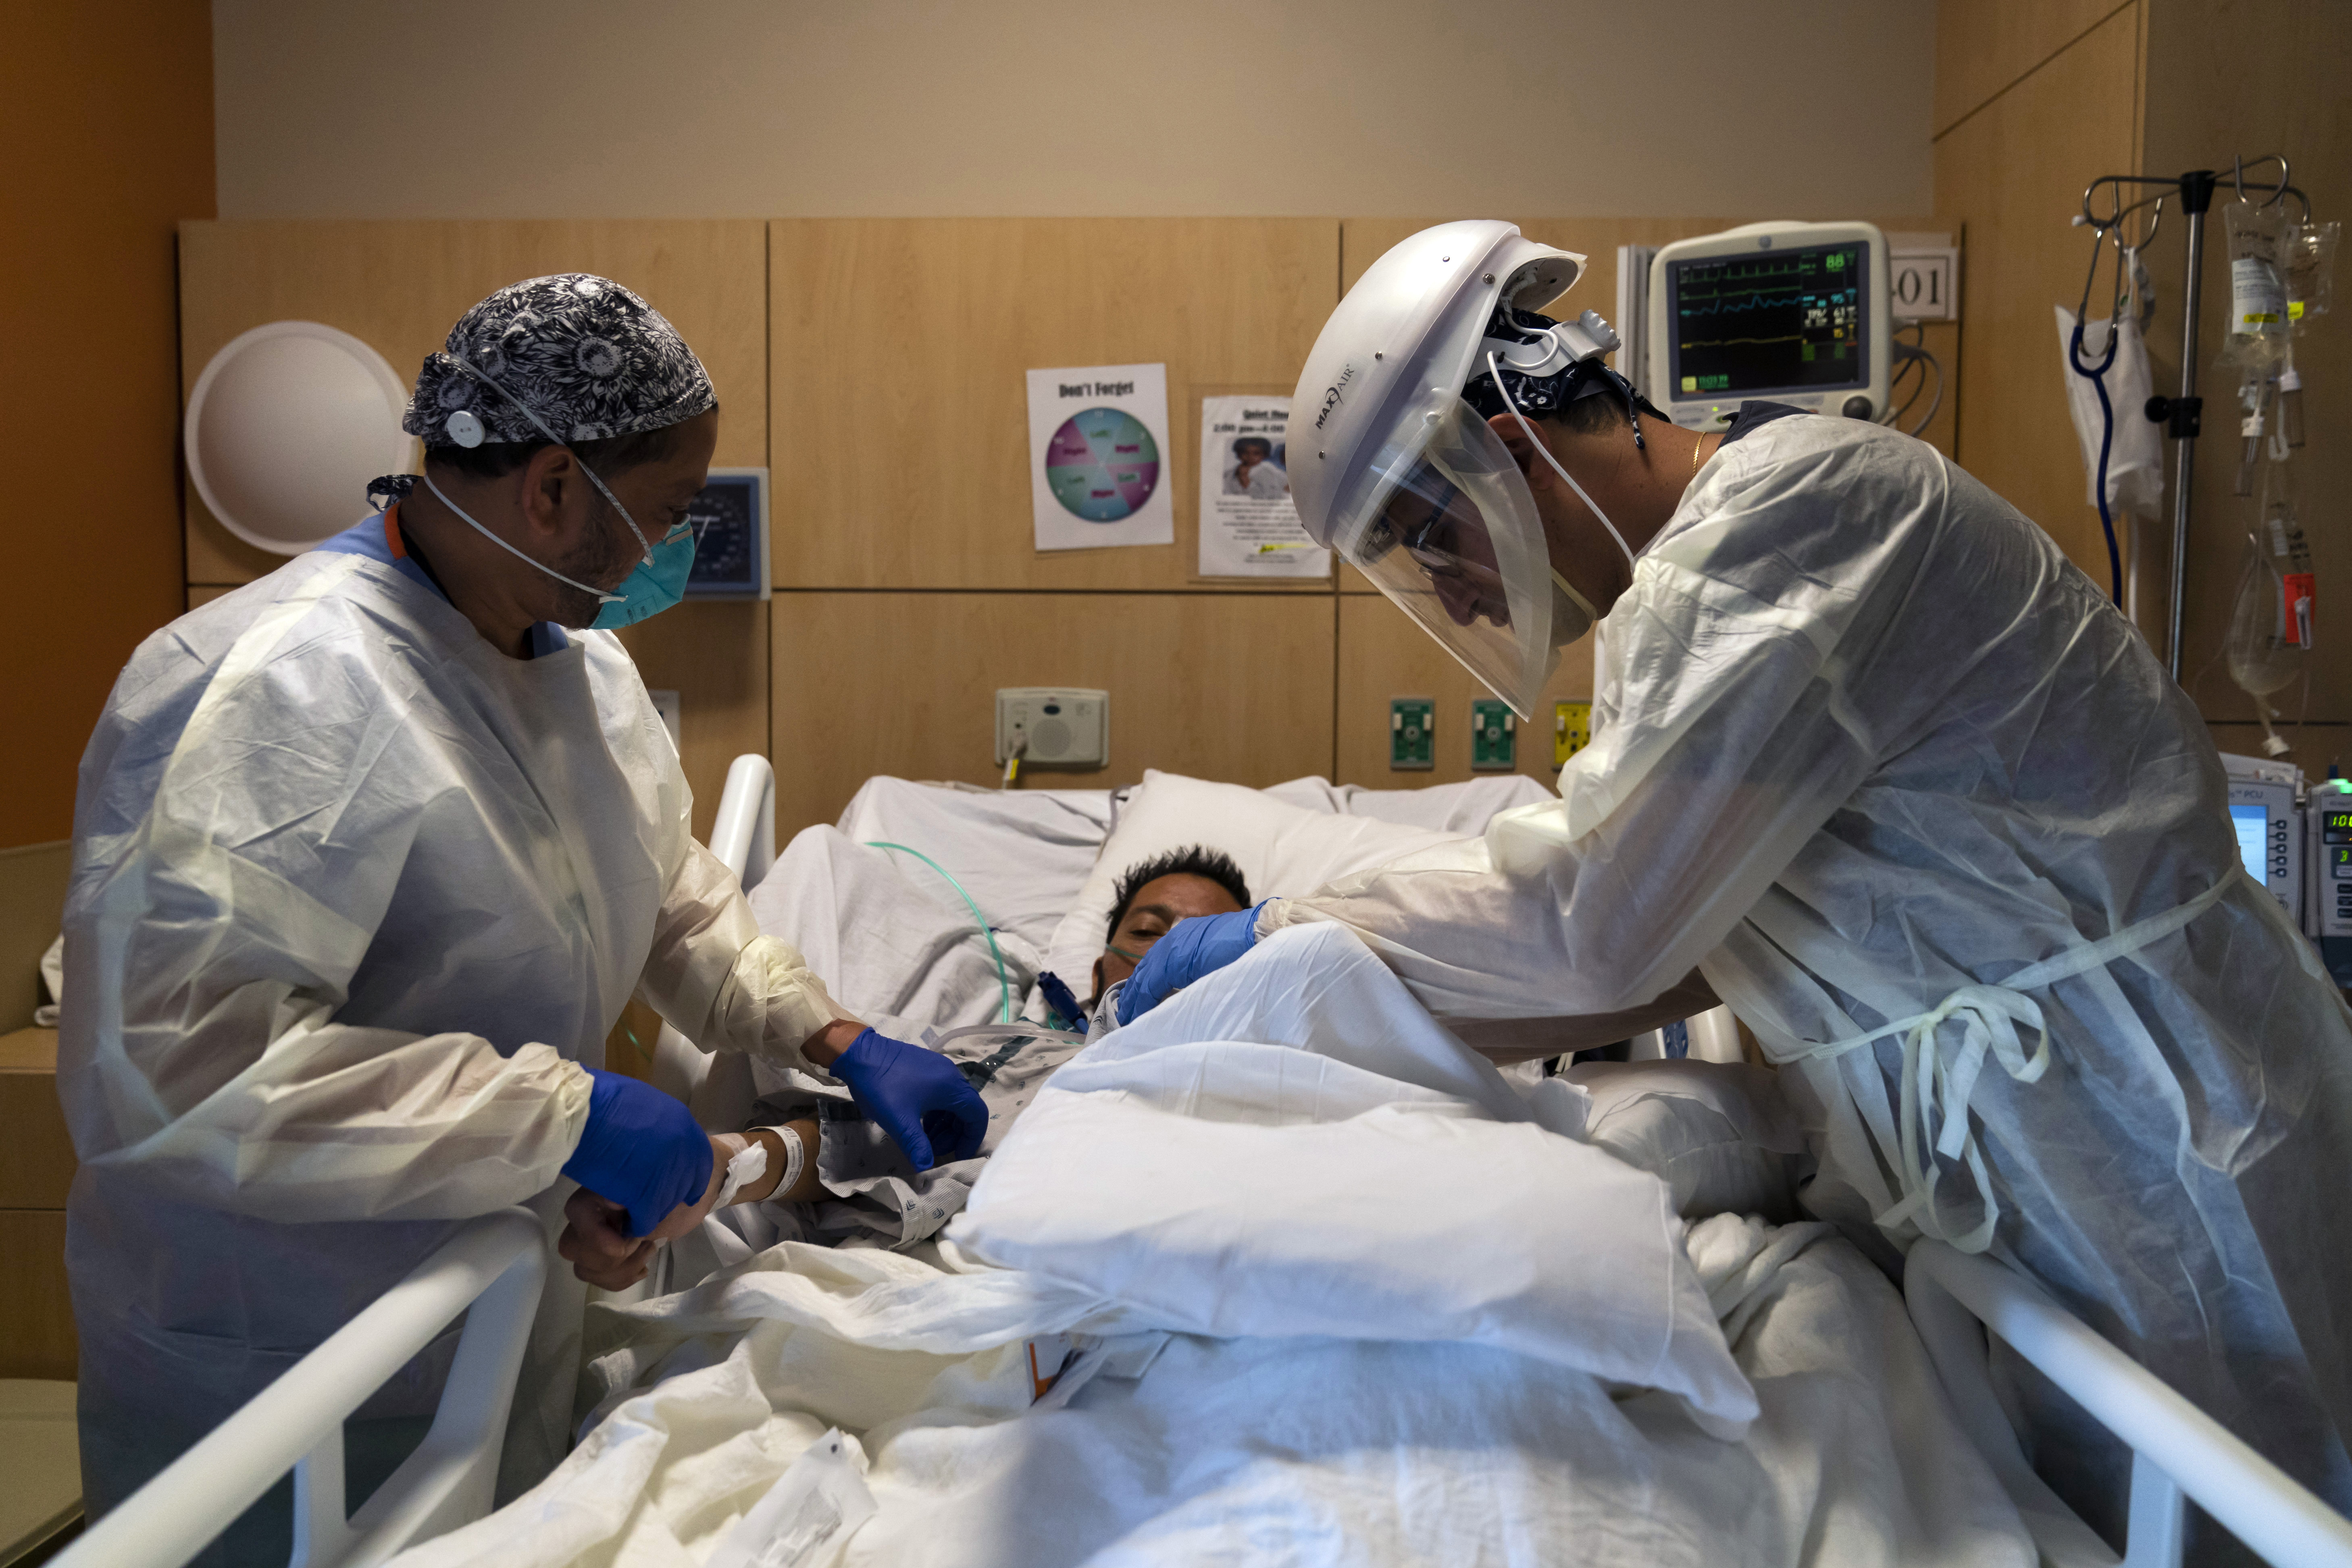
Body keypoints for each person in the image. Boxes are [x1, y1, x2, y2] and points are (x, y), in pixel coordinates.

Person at [1118, 220, 2352, 1548]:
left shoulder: (1804, 512)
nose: (1461, 601)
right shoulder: (1685, 601)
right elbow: (1676, 936)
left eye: (1439, 546)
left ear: (1508, 455)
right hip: (2021, 1154)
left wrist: (1282, 942)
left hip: (2156, 1124)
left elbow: (1593, 932)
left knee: (2263, 1503)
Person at [57, 273, 985, 1561]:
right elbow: (177, 1074)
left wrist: (828, 1036)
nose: (677, 551)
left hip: (499, 1293)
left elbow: (667, 891)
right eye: (667, 515)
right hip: (279, 1343)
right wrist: (564, 1114)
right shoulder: (279, 687)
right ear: (551, 488)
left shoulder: (581, 668)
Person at [1221, 435, 1289, 499]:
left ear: (1265, 455)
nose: (1250, 457)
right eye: (1245, 453)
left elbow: (1285, 488)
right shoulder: (1230, 474)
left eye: (1256, 454)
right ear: (1238, 454)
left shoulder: (1270, 471)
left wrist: (1246, 481)